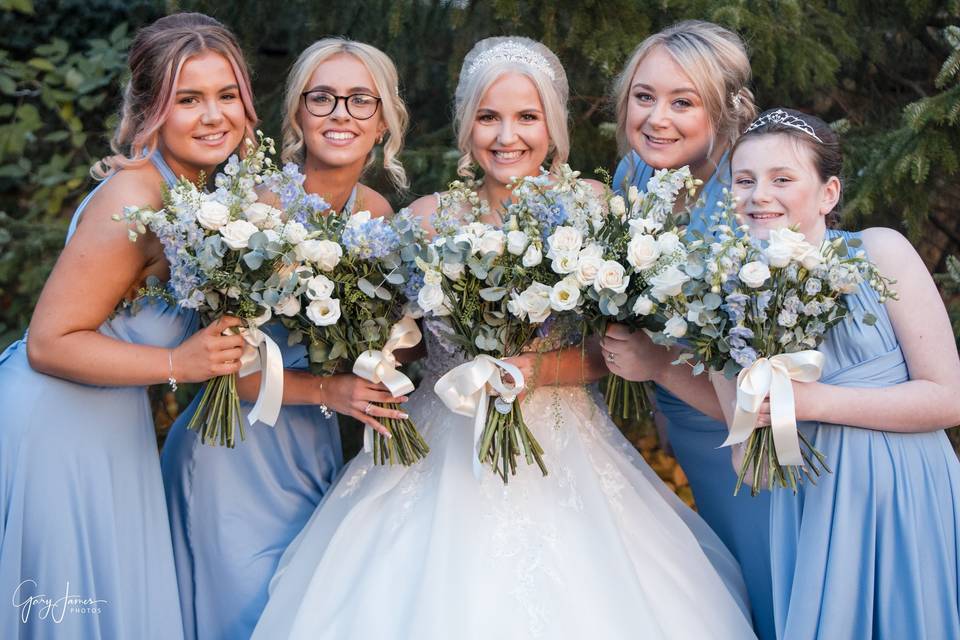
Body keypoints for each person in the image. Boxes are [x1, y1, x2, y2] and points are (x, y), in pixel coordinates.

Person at [250, 36, 756, 640]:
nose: (506, 135)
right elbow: (403, 342)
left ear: (553, 128)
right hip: (440, 439)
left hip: (564, 444)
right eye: (489, 117)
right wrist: (379, 347)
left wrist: (534, 369)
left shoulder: (592, 209)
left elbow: (613, 350)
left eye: (526, 117)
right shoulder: (424, 220)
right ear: (467, 128)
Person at [608, 107, 960, 638]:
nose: (759, 195)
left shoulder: (880, 254)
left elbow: (948, 396)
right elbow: (750, 453)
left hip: (902, 494)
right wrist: (659, 365)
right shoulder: (726, 293)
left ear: (828, 193)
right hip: (810, 509)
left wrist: (815, 403)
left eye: (782, 179)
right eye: (745, 180)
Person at [0, 12, 255, 639]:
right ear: (151, 112)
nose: (213, 115)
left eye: (227, 95)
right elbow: (49, 342)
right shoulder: (135, 195)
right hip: (59, 426)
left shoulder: (199, 196)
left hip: (110, 428)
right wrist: (180, 364)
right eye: (188, 99)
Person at [161, 38, 410, 640]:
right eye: (321, 97)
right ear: (297, 114)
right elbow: (225, 368)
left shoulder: (375, 213)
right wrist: (340, 389)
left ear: (383, 121)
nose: (340, 114)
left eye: (359, 100)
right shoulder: (253, 206)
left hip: (316, 450)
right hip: (232, 452)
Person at [606, 20, 775, 639]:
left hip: (758, 442)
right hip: (688, 425)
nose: (657, 118)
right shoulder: (635, 176)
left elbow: (767, 401)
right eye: (644, 96)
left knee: (770, 592)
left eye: (684, 102)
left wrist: (655, 366)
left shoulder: (746, 201)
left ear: (726, 112)